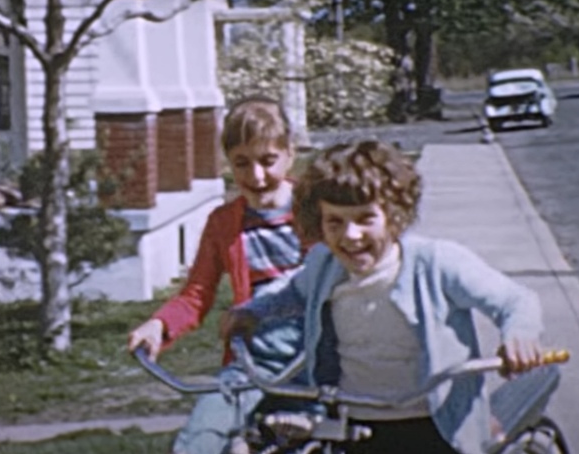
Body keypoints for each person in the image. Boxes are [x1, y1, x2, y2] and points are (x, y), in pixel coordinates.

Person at [222, 140, 545, 454]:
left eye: (365, 219)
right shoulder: (324, 265)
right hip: (357, 422)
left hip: (436, 422)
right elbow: (290, 291)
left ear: (393, 215)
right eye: (335, 221)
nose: (351, 236)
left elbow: (515, 301)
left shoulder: (437, 263)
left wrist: (520, 335)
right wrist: (252, 312)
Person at [128, 95, 309, 454]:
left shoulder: (318, 211)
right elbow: (196, 293)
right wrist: (159, 326)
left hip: (317, 359)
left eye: (267, 160)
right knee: (199, 440)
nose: (256, 176)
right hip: (252, 363)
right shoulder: (224, 223)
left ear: (290, 153)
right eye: (242, 163)